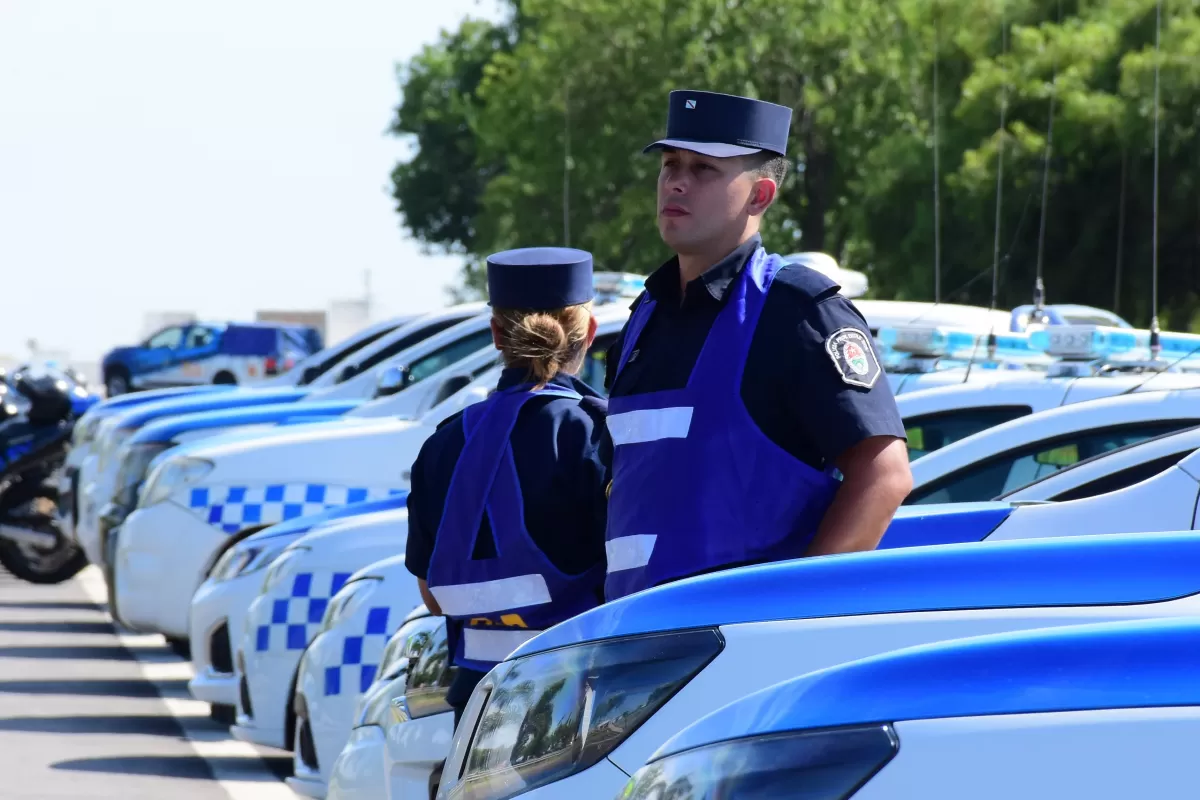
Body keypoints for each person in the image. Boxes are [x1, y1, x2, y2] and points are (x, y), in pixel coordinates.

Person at [603, 90, 913, 602]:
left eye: (703, 169)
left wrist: (794, 611)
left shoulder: (796, 311)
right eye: (670, 164)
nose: (676, 181)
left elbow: (885, 476)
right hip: (633, 642)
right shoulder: (644, 317)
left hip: (739, 647)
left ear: (760, 196)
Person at [404, 247, 609, 726]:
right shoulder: (598, 433)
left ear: (497, 334)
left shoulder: (445, 441)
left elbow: (432, 595)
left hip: (477, 708)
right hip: (578, 704)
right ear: (590, 333)